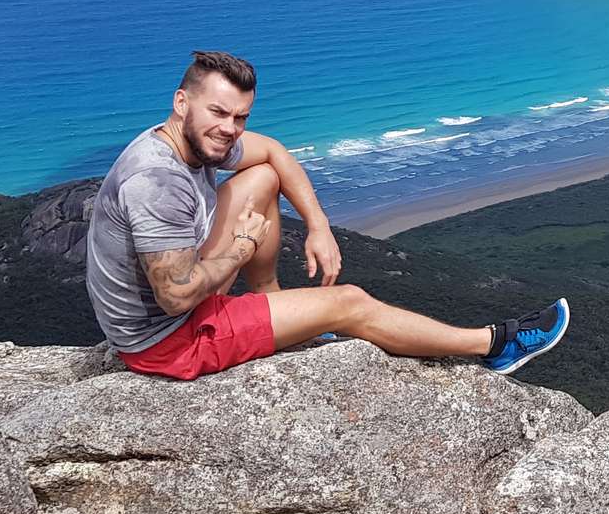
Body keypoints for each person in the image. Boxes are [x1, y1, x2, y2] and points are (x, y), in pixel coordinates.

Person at [84, 50, 568, 380]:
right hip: (168, 340)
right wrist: (239, 249)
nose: (229, 129)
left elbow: (272, 152)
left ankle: (269, 303)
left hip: (181, 305)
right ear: (181, 102)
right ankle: (494, 346)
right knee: (349, 302)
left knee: (262, 178)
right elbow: (175, 297)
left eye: (240, 118)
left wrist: (319, 227)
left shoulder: (187, 139)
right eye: (218, 113)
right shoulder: (156, 181)